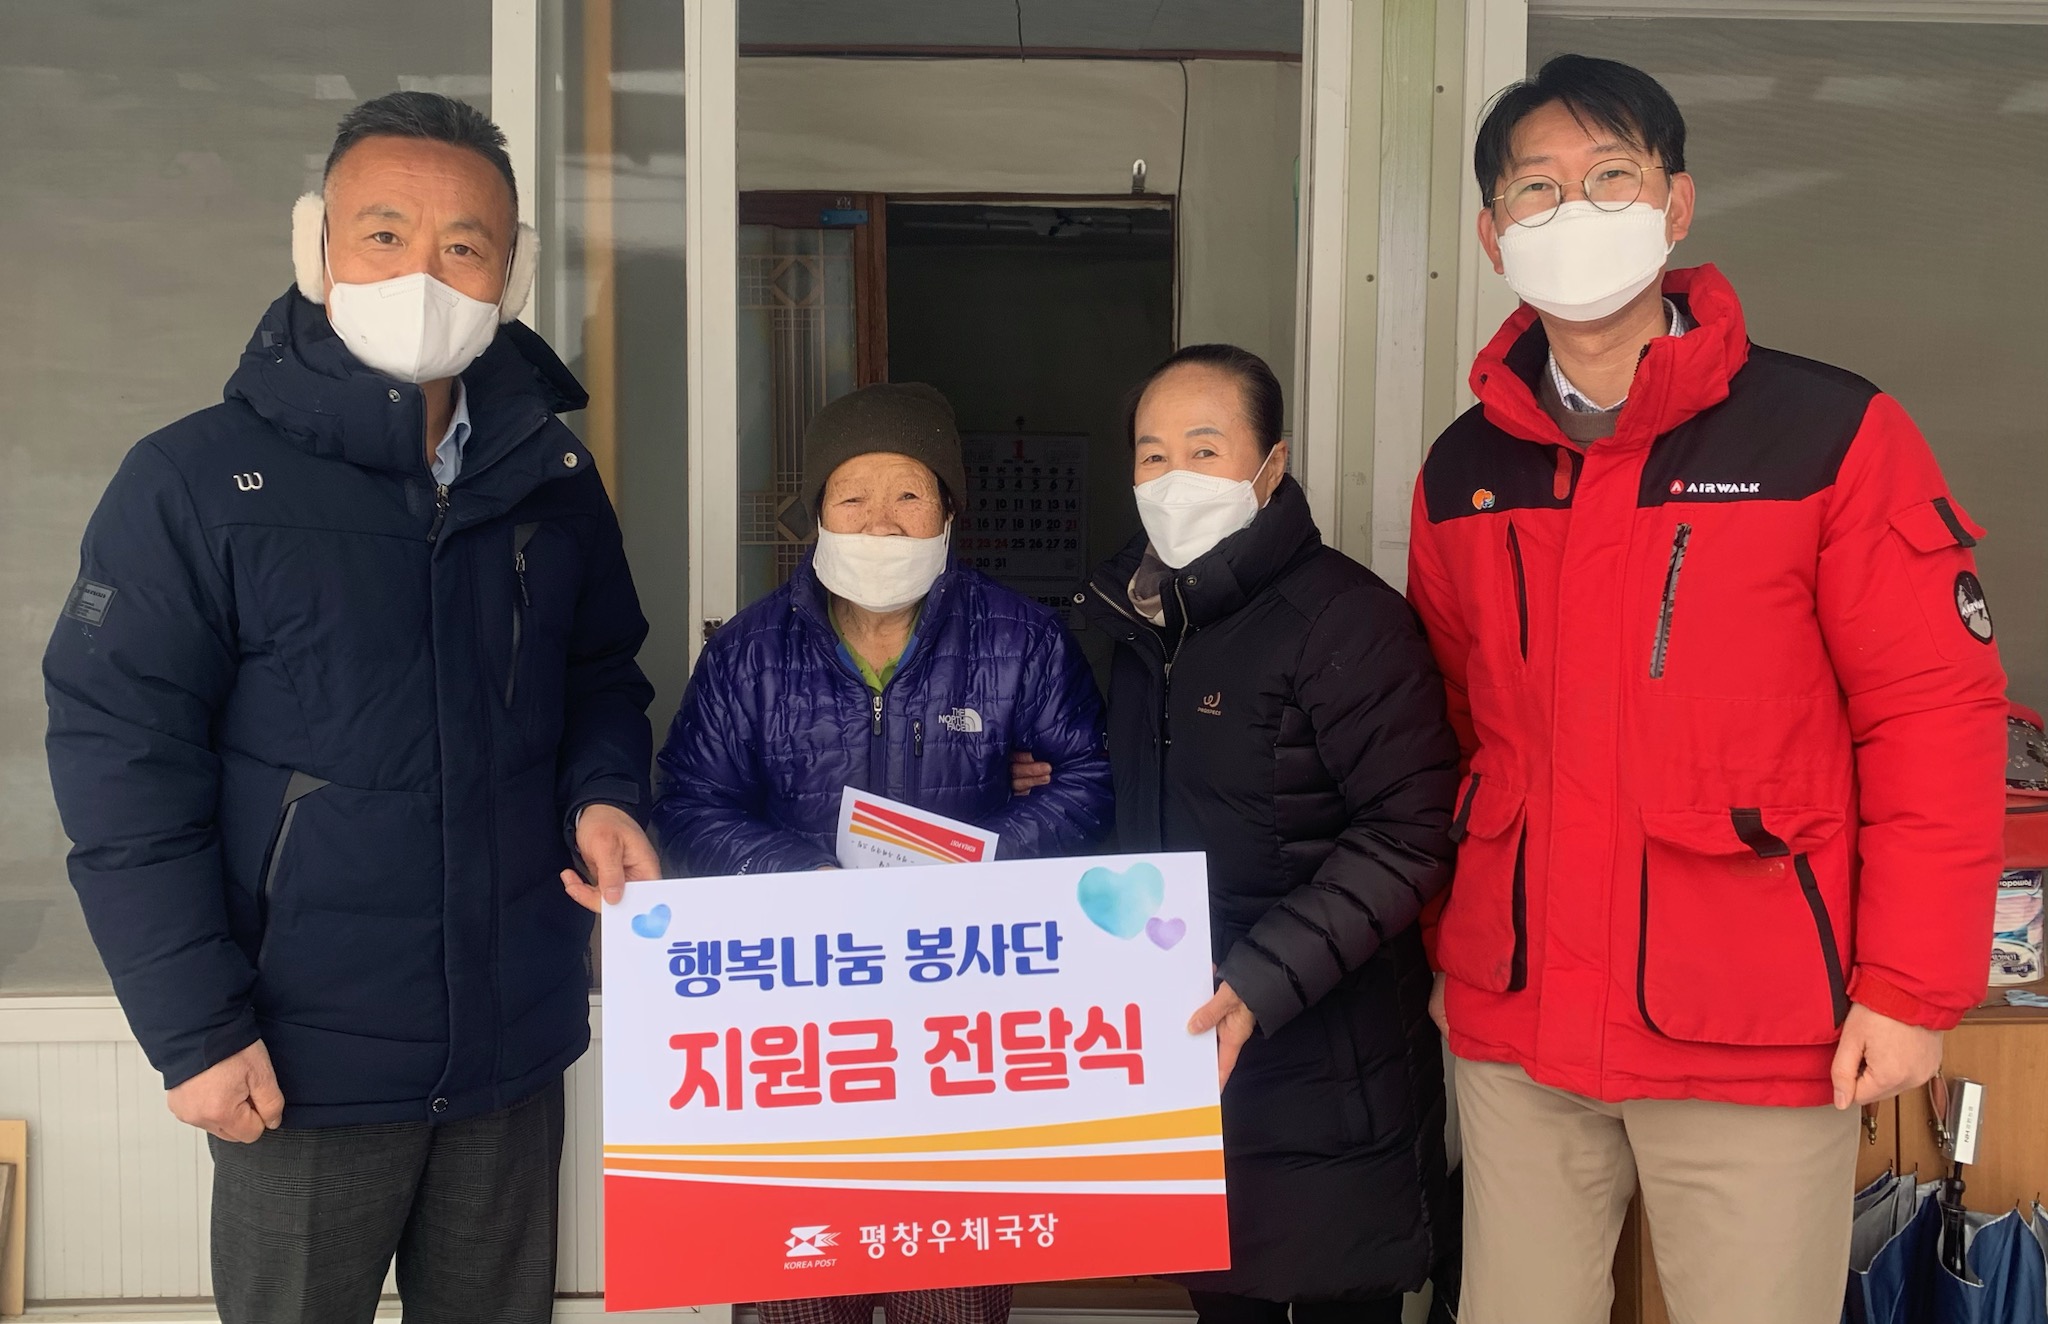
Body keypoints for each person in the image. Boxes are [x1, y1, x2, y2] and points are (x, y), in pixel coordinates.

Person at [1406, 55, 2010, 1324]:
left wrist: (1908, 987)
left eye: (1607, 177)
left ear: (1673, 204)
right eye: (1534, 189)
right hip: (1518, 1021)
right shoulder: (1463, 469)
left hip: (1751, 1016)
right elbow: (1457, 722)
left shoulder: (1825, 433)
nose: (1571, 211)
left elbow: (1930, 718)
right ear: (1492, 234)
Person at [43, 92, 657, 1324]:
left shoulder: (550, 476)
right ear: (316, 245)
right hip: (297, 1060)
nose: (422, 272)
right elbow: (122, 767)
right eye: (384, 234)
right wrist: (195, 1030)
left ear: (510, 272)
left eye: (464, 245)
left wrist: (604, 794)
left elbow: (599, 674)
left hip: (510, 1043)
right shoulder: (194, 482)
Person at [628, 380, 1114, 1324]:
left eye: (908, 495)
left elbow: (1087, 782)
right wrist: (799, 875)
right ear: (817, 512)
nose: (881, 523)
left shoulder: (1024, 640)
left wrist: (980, 861)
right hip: (804, 1030)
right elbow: (688, 805)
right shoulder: (748, 654)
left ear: (948, 511)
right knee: (806, 1293)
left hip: (960, 1029)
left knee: (951, 1296)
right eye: (852, 496)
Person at [1077, 344, 1461, 1324]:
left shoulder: (1345, 620)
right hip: (1190, 1050)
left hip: (1330, 1063)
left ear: (1271, 463)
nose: (1174, 478)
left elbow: (1411, 829)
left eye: (1204, 450)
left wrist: (1258, 978)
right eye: (1152, 454)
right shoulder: (1135, 624)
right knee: (1224, 1301)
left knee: (1339, 1297)